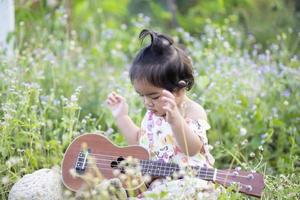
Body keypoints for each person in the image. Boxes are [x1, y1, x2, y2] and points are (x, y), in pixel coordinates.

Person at [106, 29, 217, 199]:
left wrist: (176, 121)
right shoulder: (153, 114)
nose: (147, 103)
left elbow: (193, 149)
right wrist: (122, 116)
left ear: (179, 90)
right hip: (158, 184)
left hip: (189, 179)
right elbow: (139, 142)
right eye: (141, 95)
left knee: (191, 191)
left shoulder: (192, 111)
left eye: (154, 96)